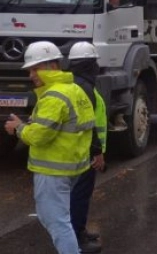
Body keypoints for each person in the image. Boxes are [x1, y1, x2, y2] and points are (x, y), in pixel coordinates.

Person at [4, 41, 95, 254]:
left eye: (36, 68)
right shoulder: (74, 89)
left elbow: (39, 136)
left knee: (56, 222)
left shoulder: (53, 96)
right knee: (59, 219)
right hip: (72, 167)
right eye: (29, 70)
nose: (31, 75)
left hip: (53, 170)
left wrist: (18, 128)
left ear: (52, 66)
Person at [66, 42, 106, 254]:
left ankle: (79, 229)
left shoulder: (76, 84)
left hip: (79, 150)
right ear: (90, 65)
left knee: (79, 194)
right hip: (84, 153)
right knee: (79, 195)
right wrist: (96, 152)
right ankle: (77, 238)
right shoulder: (85, 88)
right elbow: (88, 124)